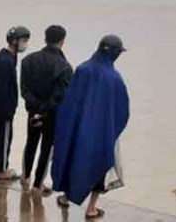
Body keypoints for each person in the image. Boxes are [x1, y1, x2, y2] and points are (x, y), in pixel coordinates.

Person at [52, 35, 129, 219]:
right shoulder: (114, 78)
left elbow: (69, 102)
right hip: (101, 135)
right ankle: (91, 208)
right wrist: (111, 130)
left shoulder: (82, 69)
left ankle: (65, 196)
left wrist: (69, 127)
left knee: (72, 159)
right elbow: (122, 111)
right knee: (99, 169)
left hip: (77, 131)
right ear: (114, 54)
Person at [20, 25, 73, 197]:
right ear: (62, 41)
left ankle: (25, 177)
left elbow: (24, 90)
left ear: (45, 39)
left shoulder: (28, 60)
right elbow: (59, 97)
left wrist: (37, 107)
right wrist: (45, 108)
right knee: (46, 149)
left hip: (33, 111)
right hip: (52, 115)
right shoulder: (65, 67)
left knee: (31, 143)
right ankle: (37, 185)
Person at [0, 26, 31, 182]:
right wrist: (7, 108)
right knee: (4, 138)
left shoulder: (7, 56)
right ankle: (2, 170)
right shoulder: (6, 60)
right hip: (4, 108)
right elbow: (2, 87)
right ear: (14, 41)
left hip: (1, 106)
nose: (25, 44)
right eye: (23, 41)